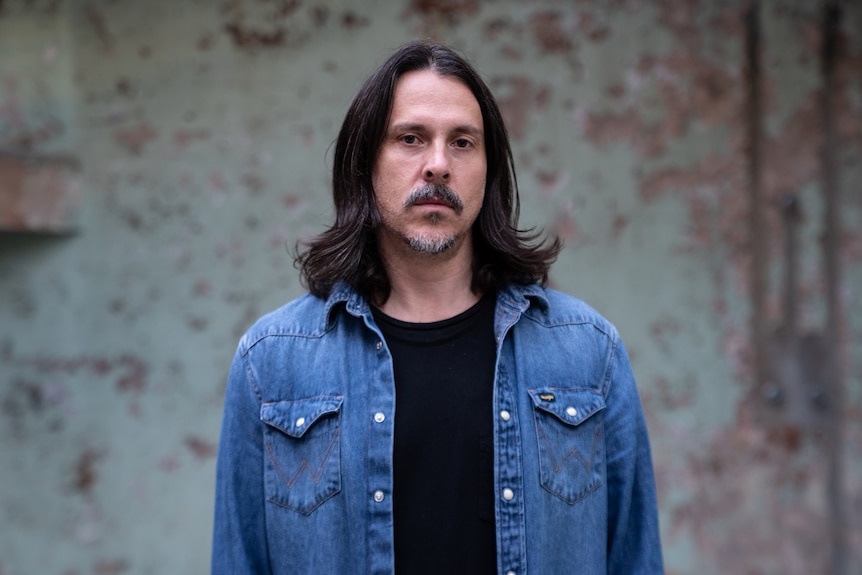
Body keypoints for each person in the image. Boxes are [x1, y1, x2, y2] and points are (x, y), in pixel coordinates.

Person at [211, 41, 663, 574]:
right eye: (410, 138)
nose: (438, 165)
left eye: (463, 142)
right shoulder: (273, 363)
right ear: (364, 165)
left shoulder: (588, 352)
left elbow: (634, 558)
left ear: (488, 171)